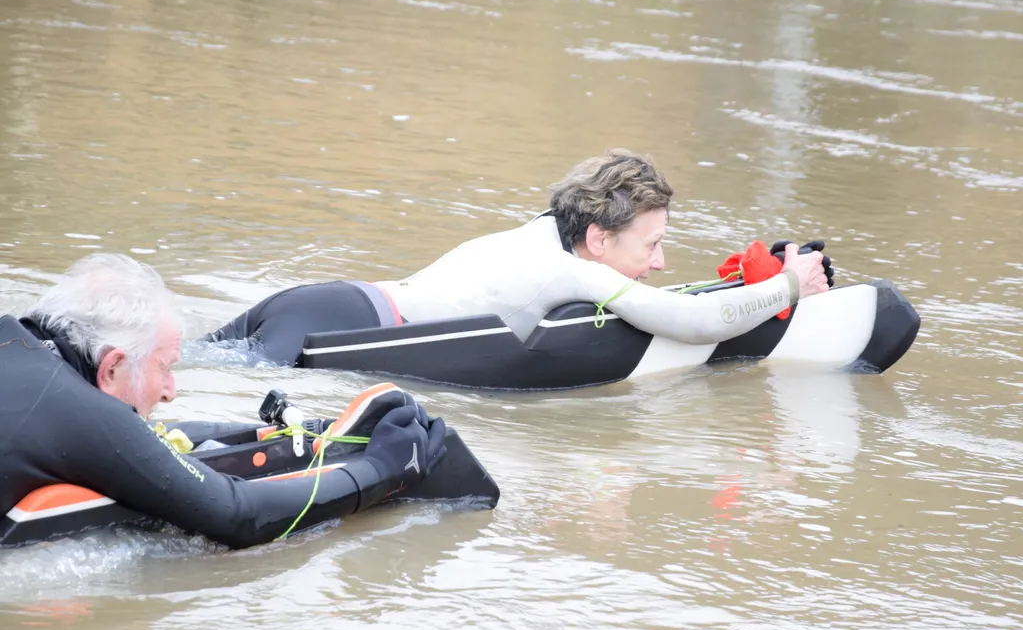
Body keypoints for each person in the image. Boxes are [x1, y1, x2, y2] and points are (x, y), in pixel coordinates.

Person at [206, 149, 829, 365]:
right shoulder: (570, 269)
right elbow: (693, 322)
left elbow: (665, 297)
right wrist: (790, 288)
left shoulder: (546, 232)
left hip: (323, 302)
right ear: (598, 240)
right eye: (653, 245)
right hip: (343, 327)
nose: (661, 263)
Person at [0, 254, 446, 550]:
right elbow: (237, 516)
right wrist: (381, 471)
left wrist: (295, 430)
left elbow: (142, 440)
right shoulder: (78, 413)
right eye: (165, 367)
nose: (171, 390)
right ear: (113, 367)